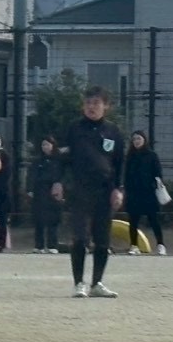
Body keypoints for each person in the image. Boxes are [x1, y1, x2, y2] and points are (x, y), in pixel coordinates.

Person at [52, 85, 126, 298]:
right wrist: (57, 181)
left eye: (96, 103)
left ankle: (97, 283)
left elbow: (120, 164)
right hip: (79, 190)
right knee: (80, 237)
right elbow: (61, 158)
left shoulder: (113, 131)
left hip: (104, 191)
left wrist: (118, 189)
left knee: (102, 240)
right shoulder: (74, 129)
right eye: (88, 103)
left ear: (106, 106)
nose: (91, 107)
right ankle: (79, 283)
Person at [122, 130, 166, 256]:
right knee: (133, 221)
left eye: (139, 139)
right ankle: (134, 245)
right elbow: (126, 175)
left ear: (144, 140)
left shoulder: (152, 155)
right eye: (134, 139)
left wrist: (155, 183)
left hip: (149, 193)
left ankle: (161, 245)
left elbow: (158, 173)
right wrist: (126, 189)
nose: (136, 141)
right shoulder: (130, 156)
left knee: (154, 219)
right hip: (133, 193)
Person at [28, 136, 61, 254]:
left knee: (53, 219)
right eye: (43, 145)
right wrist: (30, 189)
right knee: (39, 219)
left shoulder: (58, 160)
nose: (45, 147)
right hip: (39, 191)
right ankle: (39, 245)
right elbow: (31, 175)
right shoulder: (37, 161)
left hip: (54, 191)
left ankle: (52, 245)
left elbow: (62, 175)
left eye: (47, 144)